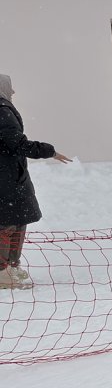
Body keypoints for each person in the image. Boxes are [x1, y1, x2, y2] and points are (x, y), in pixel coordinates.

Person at [0, 73, 70, 290]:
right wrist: (49, 151)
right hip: (7, 179)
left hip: (9, 176)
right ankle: (3, 271)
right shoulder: (2, 110)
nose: (13, 92)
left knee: (14, 222)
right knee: (8, 225)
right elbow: (18, 144)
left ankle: (10, 267)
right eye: (10, 87)